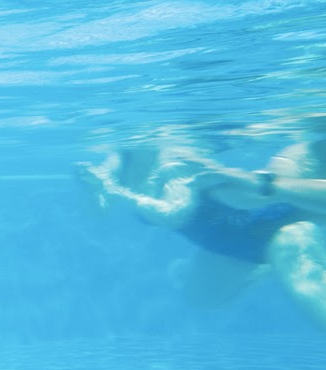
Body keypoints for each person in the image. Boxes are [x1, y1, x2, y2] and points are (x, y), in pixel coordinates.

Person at [76, 134, 326, 328]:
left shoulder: (177, 158)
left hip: (278, 218)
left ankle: (295, 237)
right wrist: (99, 185)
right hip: (231, 244)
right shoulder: (122, 159)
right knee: (200, 299)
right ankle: (268, 263)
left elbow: (176, 214)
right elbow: (98, 204)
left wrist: (126, 195)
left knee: (301, 272)